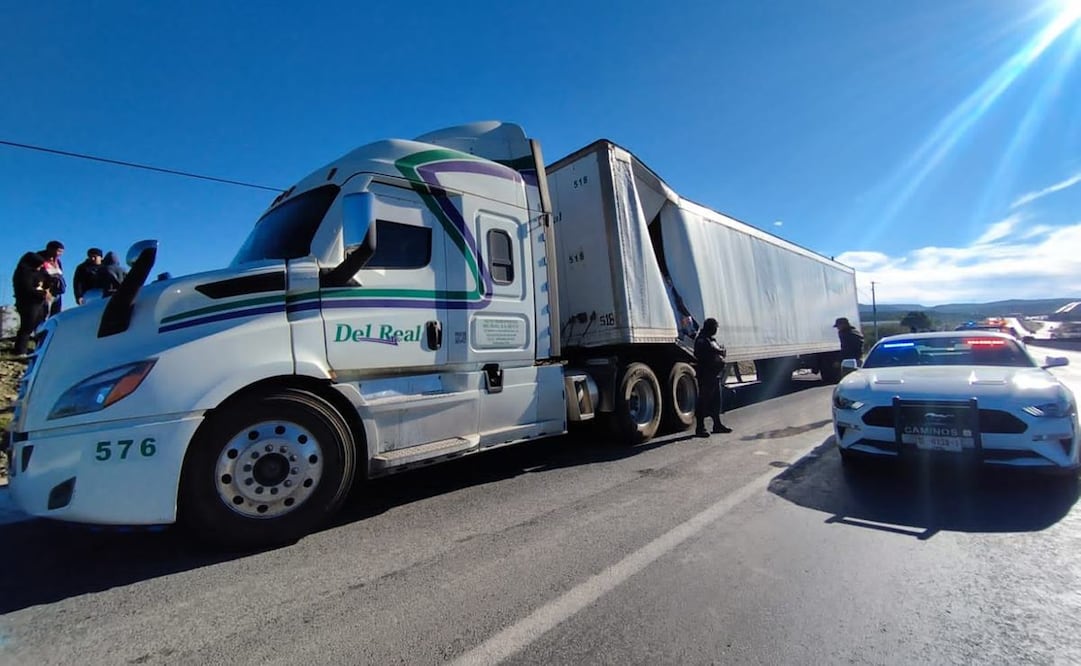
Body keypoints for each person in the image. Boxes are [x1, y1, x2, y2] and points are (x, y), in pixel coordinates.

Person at [694, 317, 732, 437]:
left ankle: (717, 425)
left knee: (716, 401)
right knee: (704, 402)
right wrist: (719, 351)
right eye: (715, 327)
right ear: (711, 327)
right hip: (706, 375)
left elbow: (718, 350)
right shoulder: (701, 340)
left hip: (714, 375)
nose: (716, 330)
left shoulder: (711, 339)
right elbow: (704, 353)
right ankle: (700, 428)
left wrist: (720, 351)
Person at [12, 251, 50, 358]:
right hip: (27, 303)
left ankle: (37, 348)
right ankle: (20, 350)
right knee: (27, 326)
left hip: (39, 302)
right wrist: (42, 293)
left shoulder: (38, 272)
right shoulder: (23, 273)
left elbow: (46, 279)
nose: (40, 267)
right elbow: (26, 289)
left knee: (39, 325)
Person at [39, 240, 65, 317]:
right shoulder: (39, 259)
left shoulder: (58, 262)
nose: (60, 254)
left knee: (55, 315)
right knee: (43, 315)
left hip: (56, 292)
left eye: (61, 252)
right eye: (58, 251)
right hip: (45, 292)